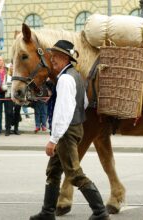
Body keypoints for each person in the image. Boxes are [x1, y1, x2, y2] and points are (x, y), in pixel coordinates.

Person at [29, 40, 110, 220]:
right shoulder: (76, 76)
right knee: (53, 171)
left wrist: (54, 139)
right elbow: (84, 103)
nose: (53, 59)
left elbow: (63, 111)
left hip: (66, 132)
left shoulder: (65, 79)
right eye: (52, 56)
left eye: (56, 56)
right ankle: (48, 212)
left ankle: (100, 211)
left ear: (66, 58)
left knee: (74, 173)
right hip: (74, 128)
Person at [2, 63, 21, 136]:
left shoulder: (19, 76)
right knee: (8, 113)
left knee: (17, 113)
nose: (12, 68)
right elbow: (3, 87)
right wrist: (8, 87)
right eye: (11, 67)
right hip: (8, 97)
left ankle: (16, 129)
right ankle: (8, 129)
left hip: (17, 97)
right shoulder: (6, 76)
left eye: (14, 67)